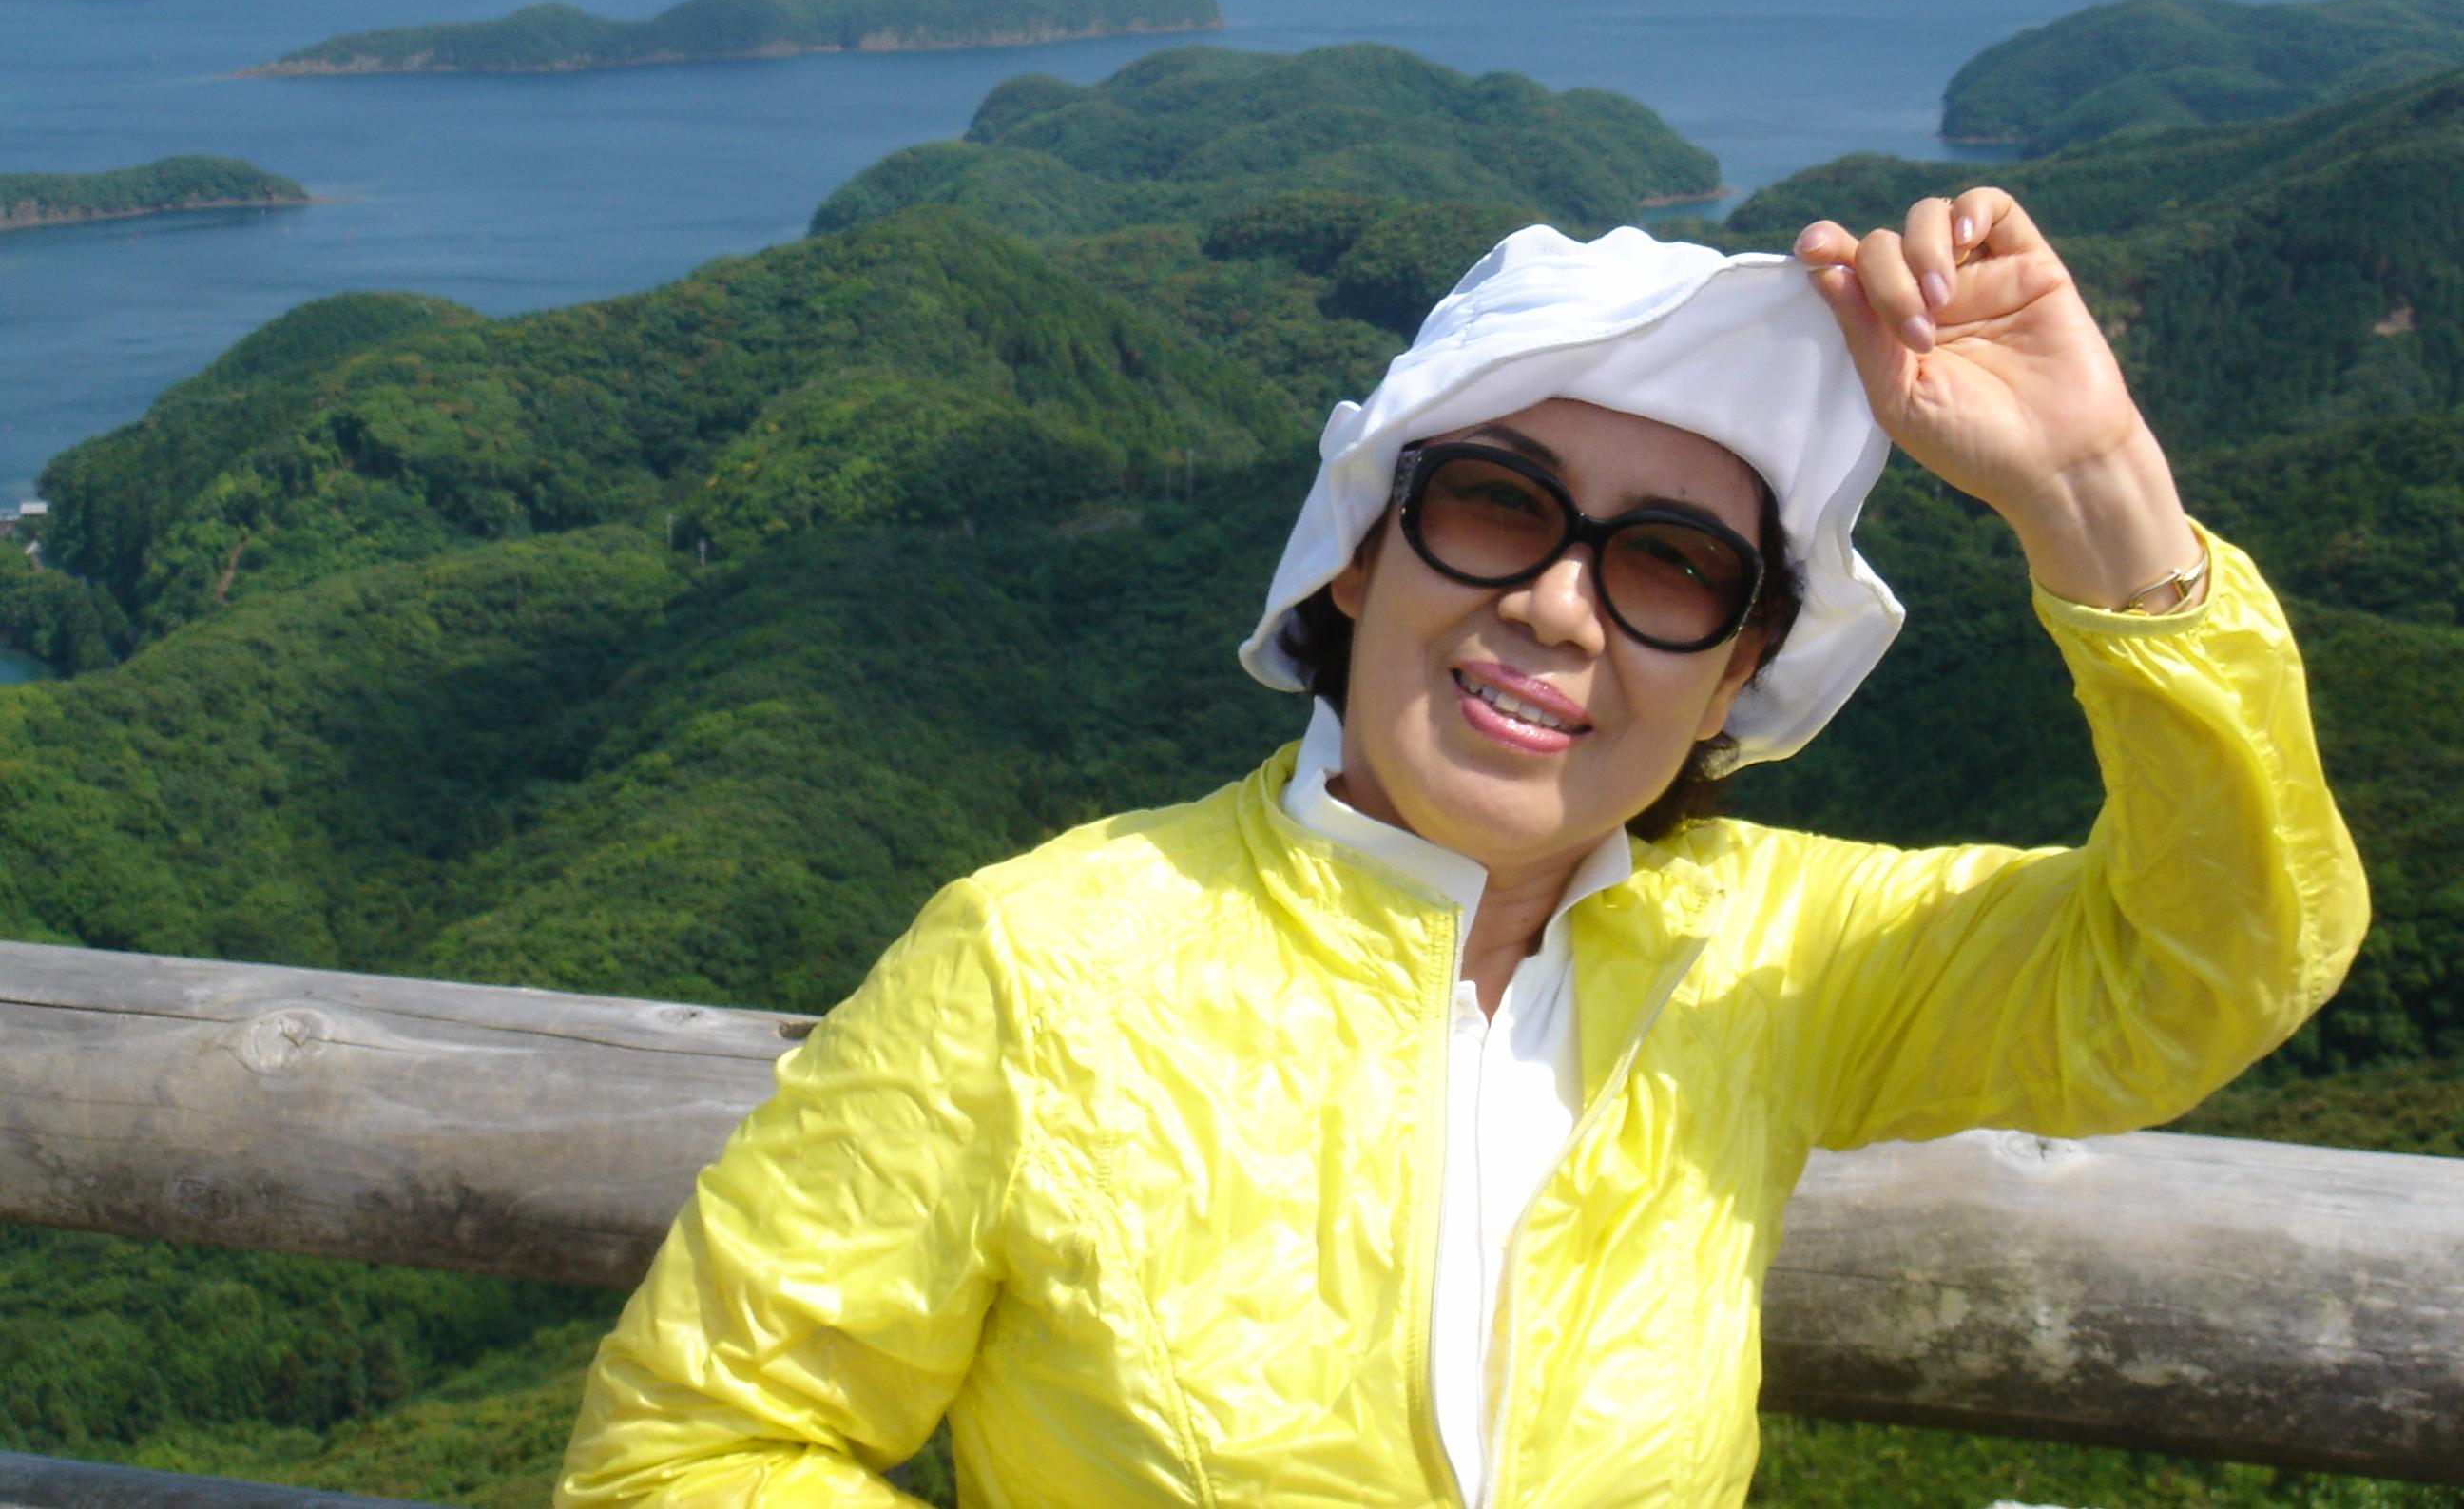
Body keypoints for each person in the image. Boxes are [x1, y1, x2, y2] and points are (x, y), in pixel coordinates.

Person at [554, 190, 2367, 1509]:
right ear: (1362, 552)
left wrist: (2096, 488)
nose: (1562, 607)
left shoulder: (1770, 961)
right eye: (1498, 505)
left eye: (1672, 567)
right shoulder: (1039, 971)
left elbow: (2199, 966)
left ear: (1735, 669)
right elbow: (692, 1453)